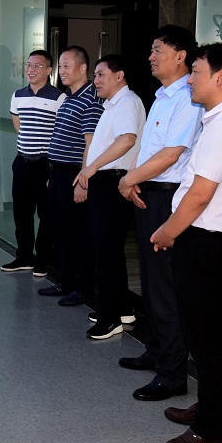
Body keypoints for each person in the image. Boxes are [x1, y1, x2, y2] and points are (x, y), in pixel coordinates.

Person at [150, 43, 222, 443]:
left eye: (196, 72)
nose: (190, 80)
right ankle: (210, 406)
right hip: (202, 241)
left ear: (220, 77)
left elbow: (199, 195)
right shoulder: (218, 120)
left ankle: (212, 428)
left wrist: (167, 232)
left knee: (210, 339)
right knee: (204, 334)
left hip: (209, 243)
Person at [117, 25, 203, 401]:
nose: (150, 57)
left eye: (158, 50)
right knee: (151, 284)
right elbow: (149, 147)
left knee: (166, 287)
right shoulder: (162, 95)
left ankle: (172, 374)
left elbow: (172, 154)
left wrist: (128, 179)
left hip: (168, 197)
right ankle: (155, 351)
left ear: (180, 55)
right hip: (148, 192)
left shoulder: (187, 97)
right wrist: (134, 179)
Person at [73, 55, 145, 339]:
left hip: (113, 181)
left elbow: (127, 139)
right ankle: (122, 308)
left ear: (119, 75)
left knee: (106, 252)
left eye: (101, 75)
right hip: (107, 181)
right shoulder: (113, 104)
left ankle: (109, 318)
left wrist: (92, 167)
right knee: (110, 251)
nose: (96, 81)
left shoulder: (127, 102)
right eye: (95, 75)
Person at [39, 46, 103, 305]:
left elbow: (90, 144)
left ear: (82, 67)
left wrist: (83, 182)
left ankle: (83, 288)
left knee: (78, 234)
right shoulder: (68, 98)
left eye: (67, 66)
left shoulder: (90, 99)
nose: (62, 71)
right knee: (61, 232)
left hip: (74, 175)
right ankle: (65, 281)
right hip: (58, 173)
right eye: (60, 66)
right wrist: (52, 173)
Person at [0, 50, 65, 276]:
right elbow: (18, 126)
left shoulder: (58, 97)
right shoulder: (18, 95)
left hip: (46, 164)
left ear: (49, 70)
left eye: (37, 66)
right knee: (22, 213)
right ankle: (24, 257)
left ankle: (42, 260)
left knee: (46, 214)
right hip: (23, 162)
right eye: (28, 65)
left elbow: (60, 133)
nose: (31, 70)